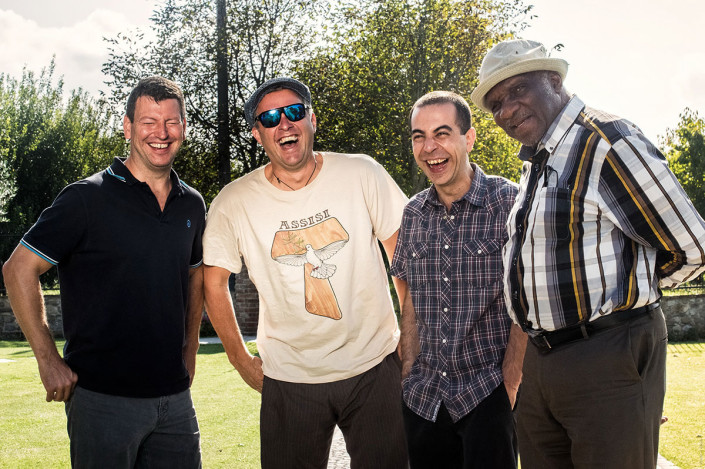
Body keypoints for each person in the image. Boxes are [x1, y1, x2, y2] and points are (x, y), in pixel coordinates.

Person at [470, 39, 705, 468]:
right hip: (541, 361)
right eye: (496, 103)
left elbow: (692, 246)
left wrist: (626, 293)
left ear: (554, 80)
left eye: (518, 90)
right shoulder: (536, 162)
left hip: (606, 352)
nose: (506, 110)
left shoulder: (607, 142)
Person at [202, 77, 409, 468]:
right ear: (257, 134)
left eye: (294, 112)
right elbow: (213, 283)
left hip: (374, 364)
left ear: (312, 120)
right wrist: (239, 358)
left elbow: (402, 253)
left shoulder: (361, 173)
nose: (285, 123)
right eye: (270, 117)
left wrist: (409, 336)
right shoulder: (234, 202)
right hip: (289, 376)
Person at [2, 76, 205, 468]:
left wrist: (191, 348)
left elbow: (195, 276)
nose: (161, 133)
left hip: (175, 400)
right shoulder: (86, 198)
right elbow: (17, 270)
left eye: (172, 122)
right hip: (101, 400)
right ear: (128, 127)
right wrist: (47, 360)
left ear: (183, 128)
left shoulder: (192, 204)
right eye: (148, 121)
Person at [389, 90, 526, 468]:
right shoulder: (413, 213)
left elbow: (526, 298)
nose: (429, 147)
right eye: (419, 136)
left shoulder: (510, 203)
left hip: (488, 396)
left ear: (469, 138)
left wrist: (510, 384)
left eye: (442, 133)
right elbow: (411, 298)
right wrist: (407, 377)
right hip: (424, 401)